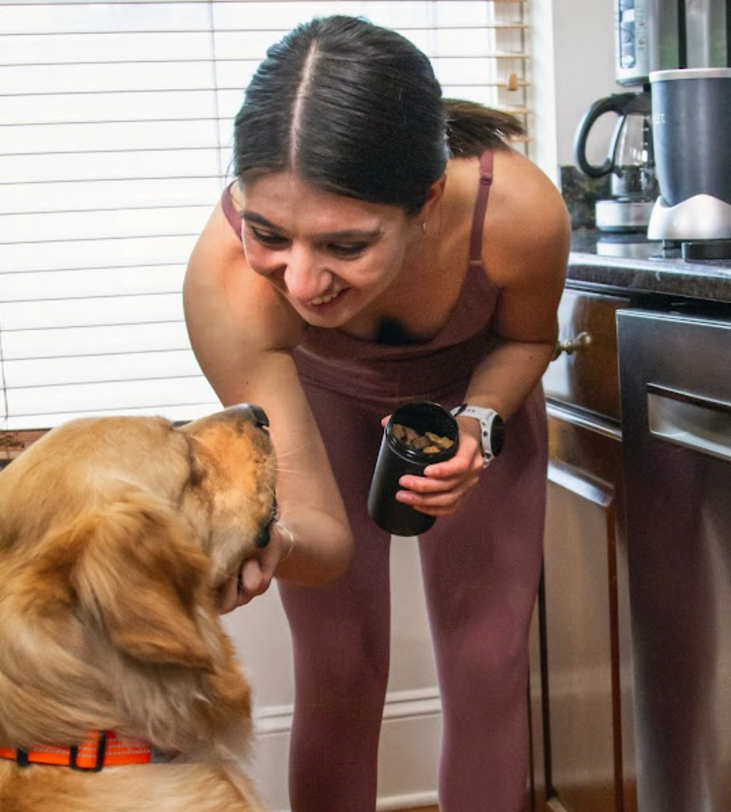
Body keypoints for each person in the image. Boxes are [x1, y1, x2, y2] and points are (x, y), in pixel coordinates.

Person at [183, 15, 570, 812]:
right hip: (318, 401)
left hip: (473, 396)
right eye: (269, 233)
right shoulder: (225, 283)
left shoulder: (517, 213)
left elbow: (528, 339)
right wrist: (272, 539)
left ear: (426, 201)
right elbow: (320, 544)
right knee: (338, 662)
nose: (301, 281)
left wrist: (481, 422)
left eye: (346, 245)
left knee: (489, 660)